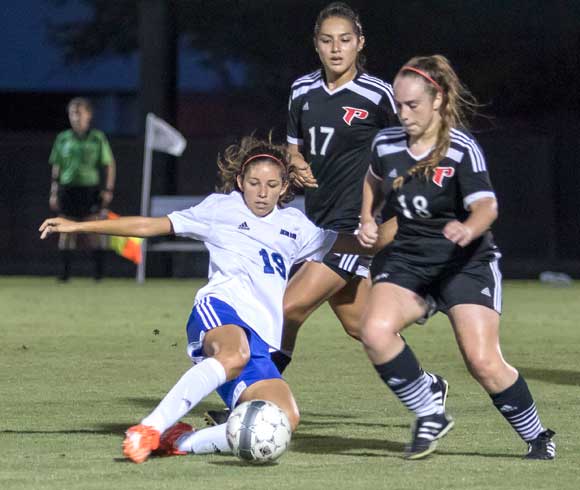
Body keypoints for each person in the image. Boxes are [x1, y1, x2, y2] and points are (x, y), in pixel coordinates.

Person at [39, 136, 393, 464]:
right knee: (233, 352)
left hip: (260, 339)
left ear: (285, 186)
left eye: (272, 185)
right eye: (254, 183)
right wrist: (78, 226)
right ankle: (150, 427)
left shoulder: (297, 226)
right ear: (240, 181)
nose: (262, 193)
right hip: (219, 312)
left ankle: (180, 443)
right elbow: (149, 226)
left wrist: (415, 218)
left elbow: (364, 244)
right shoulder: (220, 209)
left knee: (285, 417)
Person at [203, 2, 443, 428]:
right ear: (316, 44)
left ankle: (249, 400)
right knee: (363, 326)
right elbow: (294, 147)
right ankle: (427, 385)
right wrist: (294, 163)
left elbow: (414, 146)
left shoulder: (379, 95)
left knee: (285, 307)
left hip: (353, 228)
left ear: (360, 44)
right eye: (327, 40)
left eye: (345, 40)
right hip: (314, 226)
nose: (337, 48)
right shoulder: (301, 91)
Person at [357, 54, 556, 460]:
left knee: (482, 362)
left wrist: (469, 227)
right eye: (398, 104)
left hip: (464, 263)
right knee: (374, 332)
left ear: (438, 101)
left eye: (412, 105)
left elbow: (487, 206)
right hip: (410, 259)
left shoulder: (460, 148)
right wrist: (367, 217)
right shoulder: (387, 142)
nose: (403, 113)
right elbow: (373, 180)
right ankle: (429, 409)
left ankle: (538, 436)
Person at [48, 97, 116, 281]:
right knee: (65, 232)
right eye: (72, 113)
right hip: (67, 190)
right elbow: (57, 166)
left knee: (94, 232)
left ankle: (99, 274)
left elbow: (109, 164)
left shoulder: (97, 138)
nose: (76, 117)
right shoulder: (63, 138)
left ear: (89, 115)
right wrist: (54, 191)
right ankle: (65, 274)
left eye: (79, 113)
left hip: (89, 190)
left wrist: (108, 190)